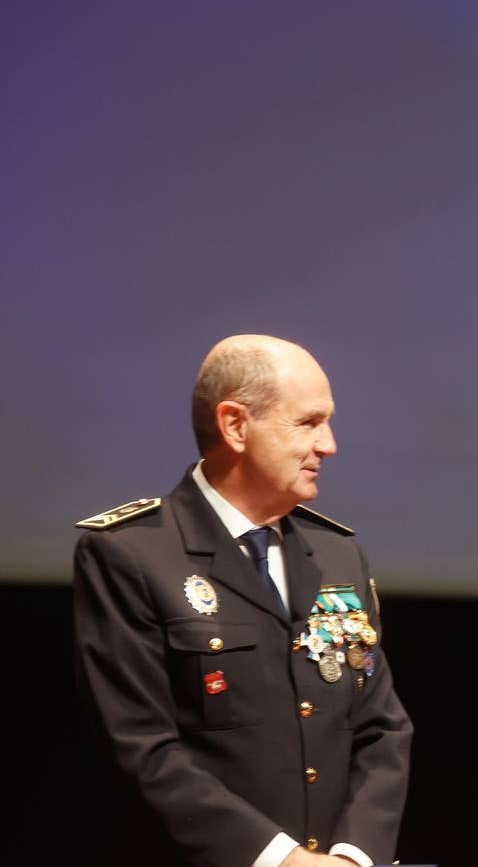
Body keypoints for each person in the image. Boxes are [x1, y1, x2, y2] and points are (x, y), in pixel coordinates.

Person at [72, 335, 413, 867]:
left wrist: (353, 855)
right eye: (307, 422)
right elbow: (141, 745)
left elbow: (381, 728)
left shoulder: (337, 555)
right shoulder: (131, 554)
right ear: (235, 425)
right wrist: (281, 860)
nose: (329, 445)